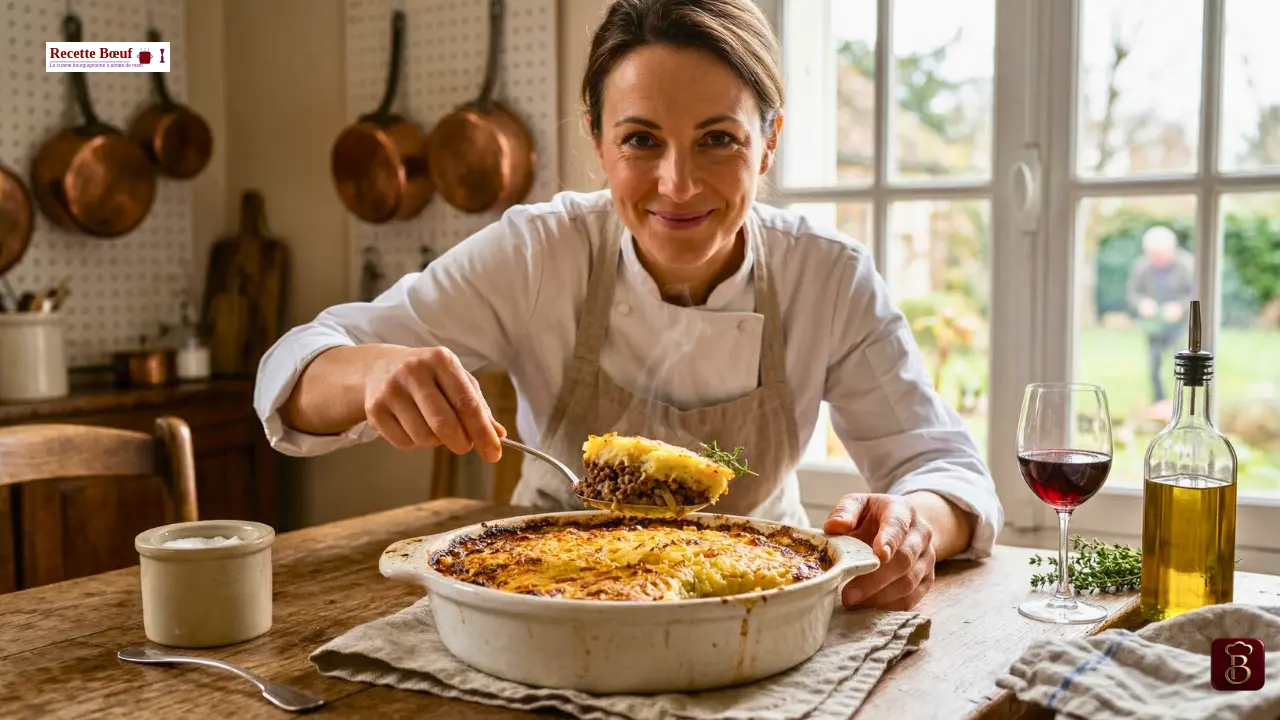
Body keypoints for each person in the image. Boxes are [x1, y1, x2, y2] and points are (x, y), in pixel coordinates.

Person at [253, 0, 1003, 612]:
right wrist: (371, 371)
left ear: (768, 143)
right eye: (642, 140)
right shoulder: (536, 254)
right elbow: (292, 375)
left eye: (717, 139)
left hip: (761, 597)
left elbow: (942, 468)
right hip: (537, 593)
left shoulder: (828, 276)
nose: (677, 185)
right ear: (598, 141)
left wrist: (914, 528)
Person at [1125, 226, 1196, 406]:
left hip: (1180, 325)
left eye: (1160, 254)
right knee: (1154, 364)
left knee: (1179, 362)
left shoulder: (1187, 265)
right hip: (1154, 326)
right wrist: (1142, 303)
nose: (1156, 258)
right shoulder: (1142, 266)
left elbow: (1197, 292)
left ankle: (1181, 402)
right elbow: (1133, 293)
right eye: (1152, 254)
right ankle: (1158, 401)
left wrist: (1179, 307)